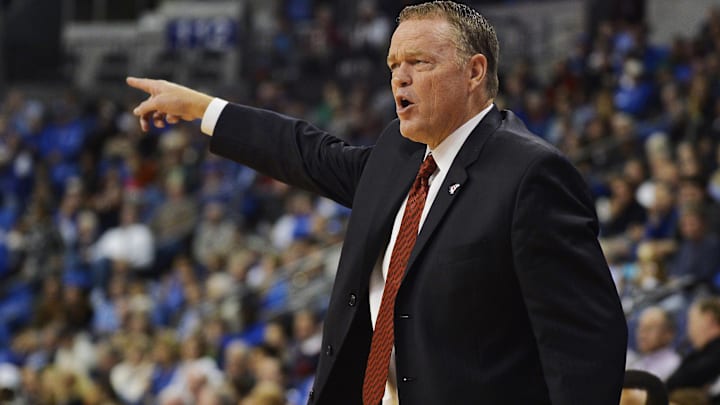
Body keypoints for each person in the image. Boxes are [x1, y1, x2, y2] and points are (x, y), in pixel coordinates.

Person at [127, 2, 627, 404]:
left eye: (419, 63)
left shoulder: (530, 174)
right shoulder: (398, 151)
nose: (399, 79)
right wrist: (202, 107)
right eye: (393, 65)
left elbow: (585, 342)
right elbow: (309, 153)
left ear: (475, 71)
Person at [666, 297, 720, 401]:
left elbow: (678, 382)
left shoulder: (714, 354)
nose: (689, 330)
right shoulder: (702, 353)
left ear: (708, 319)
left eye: (691, 322)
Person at [627, 306, 681, 381]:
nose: (642, 334)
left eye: (649, 328)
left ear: (668, 334)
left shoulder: (672, 364)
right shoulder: (637, 361)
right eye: (640, 327)